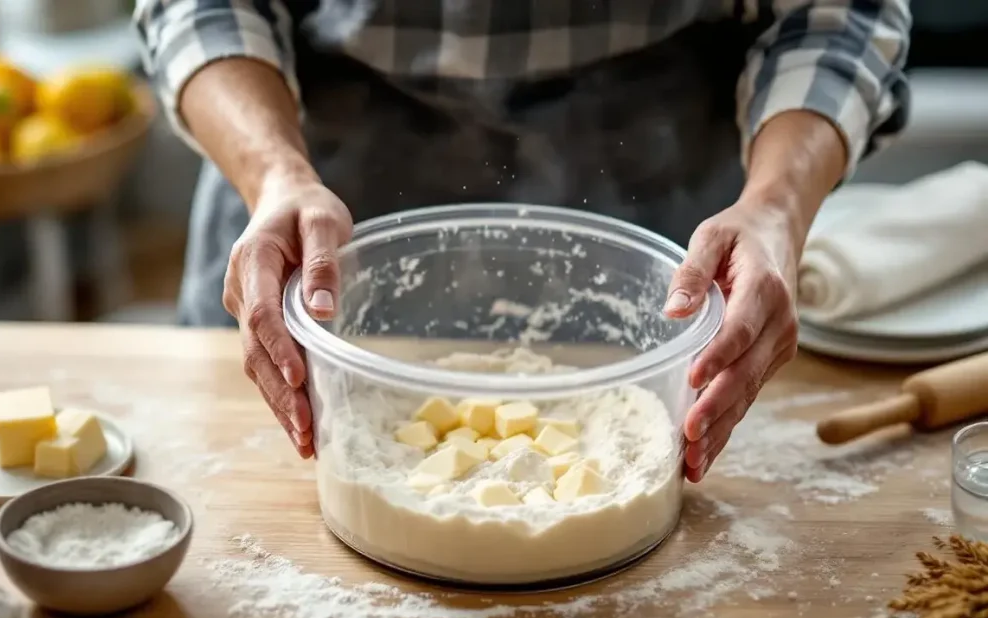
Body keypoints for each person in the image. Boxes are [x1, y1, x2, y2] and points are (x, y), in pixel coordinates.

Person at [134, 1, 911, 482]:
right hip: (320, 199)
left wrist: (775, 206)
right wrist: (274, 173)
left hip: (662, 223)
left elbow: (843, 12)